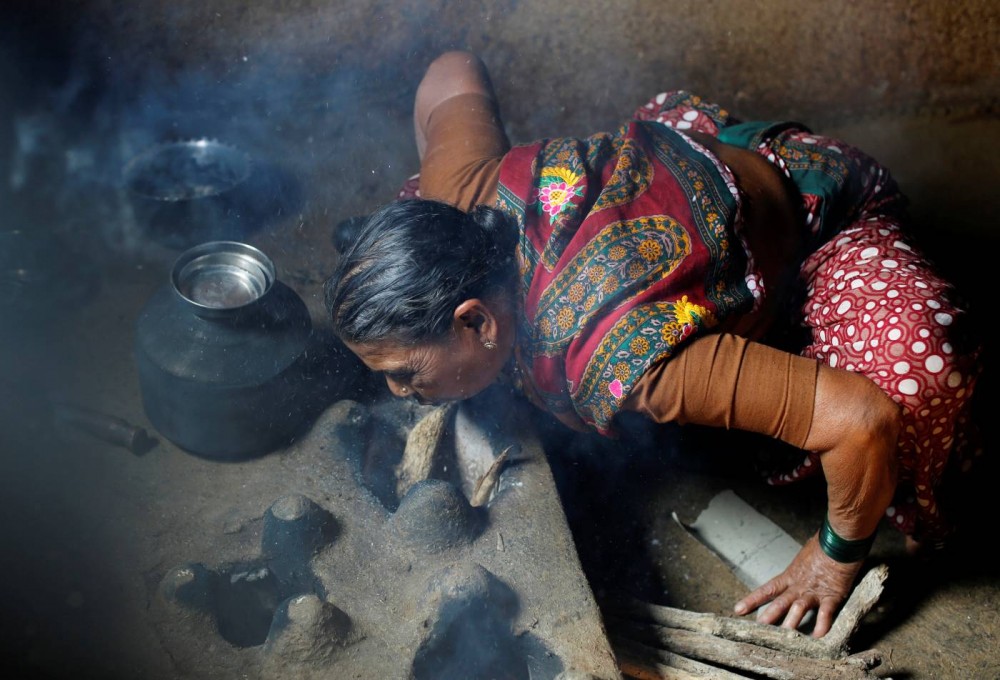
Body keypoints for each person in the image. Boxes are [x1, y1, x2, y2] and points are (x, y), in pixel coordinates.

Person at [324, 50, 985, 638]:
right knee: (414, 193)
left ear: (476, 322)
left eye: (406, 373)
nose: (399, 394)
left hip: (817, 216)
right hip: (681, 164)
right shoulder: (457, 196)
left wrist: (834, 557)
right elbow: (451, 69)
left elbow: (861, 419)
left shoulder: (622, 362)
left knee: (917, 377)